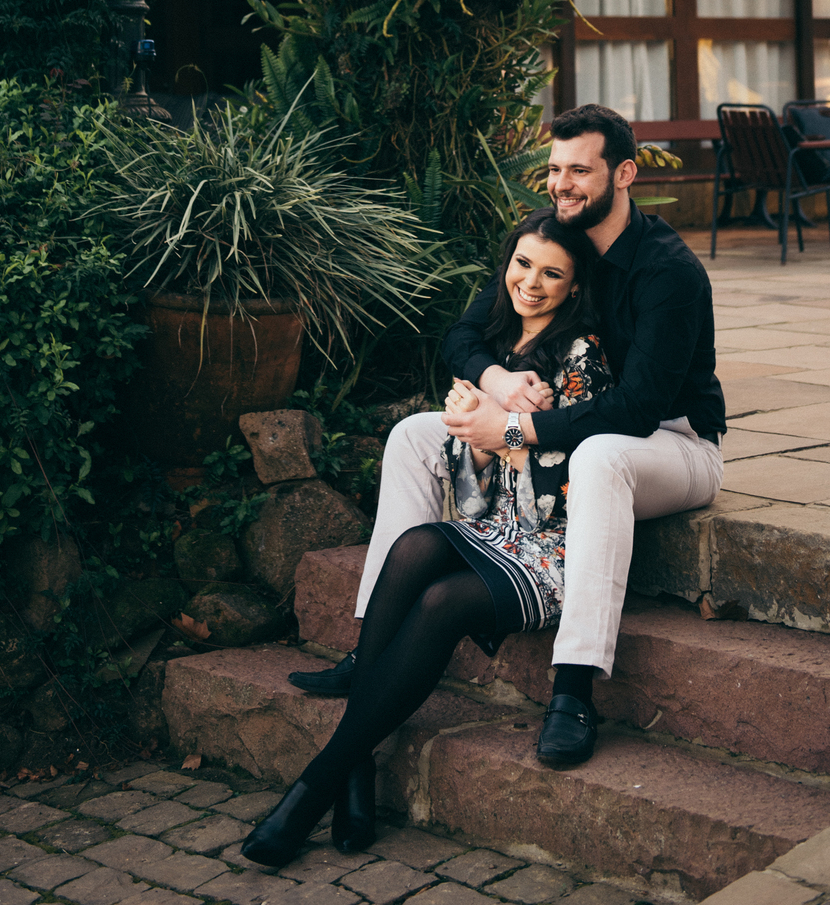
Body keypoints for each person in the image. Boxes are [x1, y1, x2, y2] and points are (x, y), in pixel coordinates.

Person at [290, 102, 725, 771]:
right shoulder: (560, 239)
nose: (562, 183)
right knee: (412, 434)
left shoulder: (667, 271)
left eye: (580, 169)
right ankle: (370, 649)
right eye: (555, 168)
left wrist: (516, 427)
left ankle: (574, 689)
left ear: (625, 173)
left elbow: (639, 407)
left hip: (676, 442)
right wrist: (497, 381)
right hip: (568, 424)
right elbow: (464, 334)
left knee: (605, 455)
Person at [243, 209, 605, 869]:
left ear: (574, 286)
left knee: (440, 601)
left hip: (554, 552)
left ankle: (316, 785)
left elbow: (571, 491)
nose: (532, 281)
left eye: (552, 272)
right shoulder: (497, 349)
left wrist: (512, 442)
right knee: (414, 547)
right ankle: (355, 779)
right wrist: (476, 435)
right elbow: (471, 501)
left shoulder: (582, 357)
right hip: (494, 529)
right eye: (523, 264)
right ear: (506, 266)